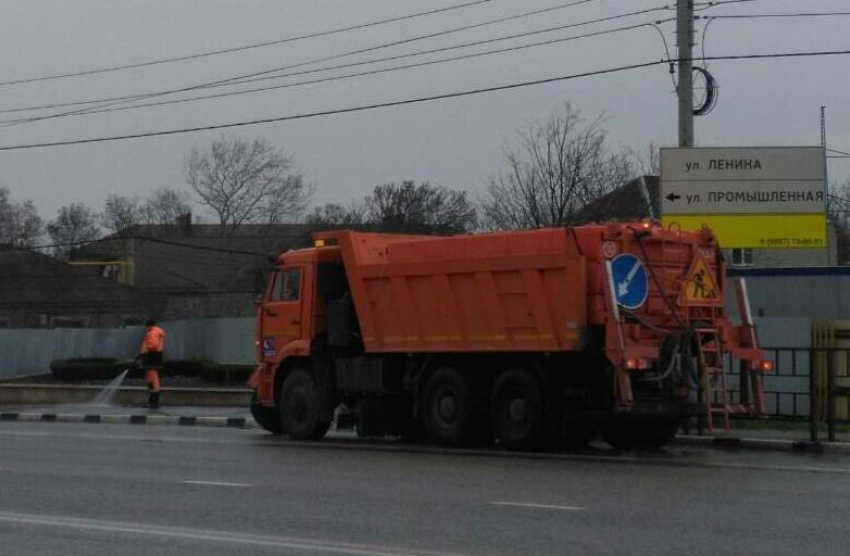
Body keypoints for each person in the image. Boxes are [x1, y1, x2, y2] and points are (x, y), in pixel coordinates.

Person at [138, 319, 166, 409]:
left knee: (152, 377)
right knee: (151, 377)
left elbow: (152, 345)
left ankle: (154, 401)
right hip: (153, 356)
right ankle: (152, 400)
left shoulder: (152, 332)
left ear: (148, 326)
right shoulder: (156, 331)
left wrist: (146, 349)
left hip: (151, 356)